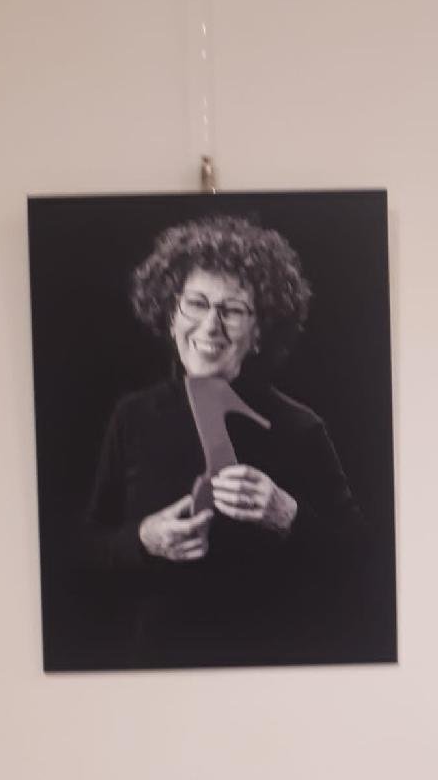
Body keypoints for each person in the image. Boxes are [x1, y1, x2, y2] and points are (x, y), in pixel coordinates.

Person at [83, 214, 366, 666]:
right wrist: (142, 540)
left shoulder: (301, 428)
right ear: (170, 314)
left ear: (259, 332)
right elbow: (87, 547)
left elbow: (358, 562)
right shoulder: (132, 416)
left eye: (231, 310)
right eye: (195, 304)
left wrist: (288, 514)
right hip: (152, 668)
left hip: (276, 665)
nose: (210, 326)